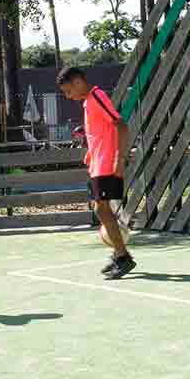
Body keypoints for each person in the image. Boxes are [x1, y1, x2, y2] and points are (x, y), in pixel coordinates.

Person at [57, 66, 136, 279]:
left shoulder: (97, 96)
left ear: (77, 82)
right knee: (102, 210)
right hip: (98, 162)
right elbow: (100, 133)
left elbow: (121, 125)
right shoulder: (87, 102)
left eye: (68, 91)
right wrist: (91, 154)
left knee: (101, 210)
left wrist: (120, 158)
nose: (68, 96)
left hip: (107, 163)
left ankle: (122, 257)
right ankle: (120, 253)